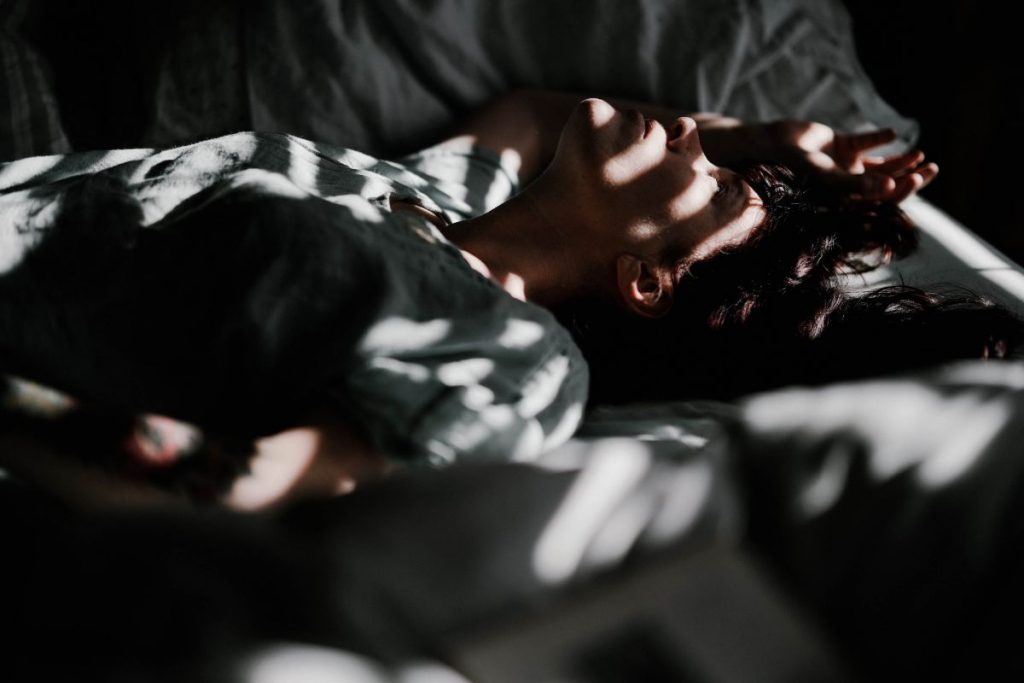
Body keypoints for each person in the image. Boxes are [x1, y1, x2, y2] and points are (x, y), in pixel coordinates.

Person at [0, 88, 1010, 510]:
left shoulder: (518, 357)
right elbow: (533, 114)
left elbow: (268, 481)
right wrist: (761, 141)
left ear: (648, 277)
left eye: (710, 182)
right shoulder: (440, 192)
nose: (688, 136)